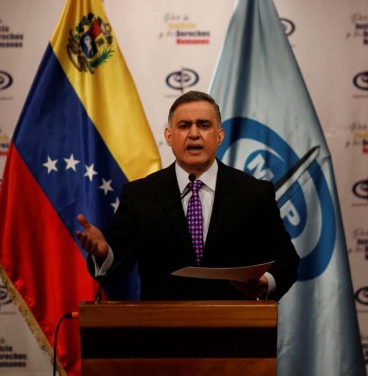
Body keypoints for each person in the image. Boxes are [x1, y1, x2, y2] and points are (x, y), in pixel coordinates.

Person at [76, 91, 299, 300]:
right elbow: (117, 265)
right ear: (169, 135)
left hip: (235, 332)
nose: (194, 134)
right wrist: (104, 254)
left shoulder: (254, 193)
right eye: (184, 126)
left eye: (204, 125)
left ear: (219, 135)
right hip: (163, 333)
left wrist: (265, 282)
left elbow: (286, 258)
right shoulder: (140, 195)